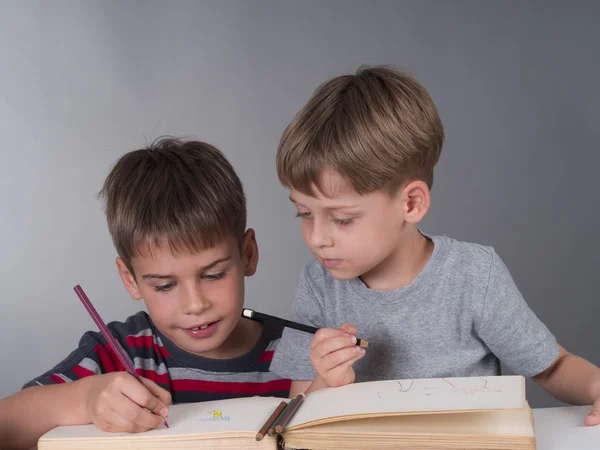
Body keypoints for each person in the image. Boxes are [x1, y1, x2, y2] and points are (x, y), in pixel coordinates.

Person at [269, 65, 600, 425]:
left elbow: (552, 367)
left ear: (411, 203)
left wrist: (596, 386)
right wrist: (325, 380)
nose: (317, 238)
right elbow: (297, 415)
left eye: (343, 219)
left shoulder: (473, 276)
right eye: (303, 213)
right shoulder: (319, 285)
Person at [0, 138, 291, 449]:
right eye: (165, 285)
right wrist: (86, 399)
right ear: (130, 279)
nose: (195, 304)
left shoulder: (298, 352)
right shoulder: (121, 354)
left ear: (247, 254)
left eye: (213, 274)